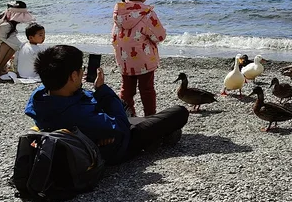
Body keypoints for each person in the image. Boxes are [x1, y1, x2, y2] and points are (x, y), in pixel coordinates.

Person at [25, 45, 189, 165]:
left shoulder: (41, 95)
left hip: (100, 124)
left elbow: (83, 104)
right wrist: (102, 89)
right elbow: (121, 126)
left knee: (123, 106)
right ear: (73, 76)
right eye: (81, 69)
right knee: (179, 112)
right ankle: (159, 135)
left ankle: (154, 130)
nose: (83, 72)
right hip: (119, 143)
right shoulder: (79, 115)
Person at [111, 0, 167, 117]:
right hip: (144, 60)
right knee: (147, 89)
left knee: (127, 90)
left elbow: (115, 35)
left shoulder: (119, 13)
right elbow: (160, 36)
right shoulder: (146, 14)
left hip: (124, 59)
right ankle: (150, 117)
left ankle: (128, 116)